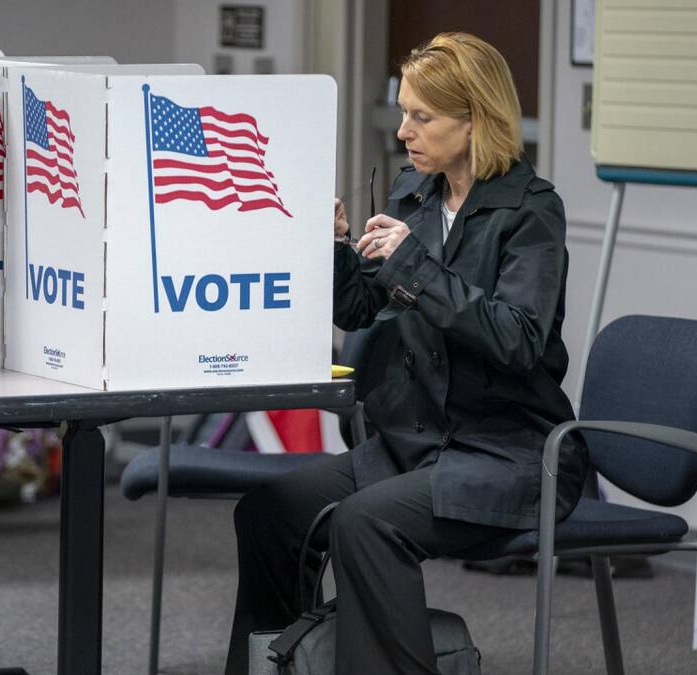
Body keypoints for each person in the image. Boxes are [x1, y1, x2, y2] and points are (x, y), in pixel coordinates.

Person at [225, 32, 588, 674]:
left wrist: (410, 264)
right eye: (403, 113)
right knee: (270, 514)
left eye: (421, 116)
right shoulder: (413, 194)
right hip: (413, 445)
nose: (403, 132)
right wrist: (337, 247)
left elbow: (517, 338)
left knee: (365, 524)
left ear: (475, 120)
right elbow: (361, 310)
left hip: (509, 452)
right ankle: (279, 667)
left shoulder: (531, 212)